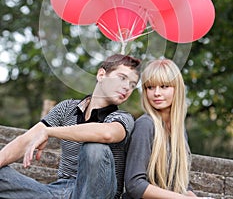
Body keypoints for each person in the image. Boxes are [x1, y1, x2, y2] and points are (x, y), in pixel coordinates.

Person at [0, 53, 141, 199]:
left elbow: (107, 134)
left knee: (94, 148)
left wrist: (49, 131)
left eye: (132, 84)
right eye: (122, 78)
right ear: (101, 75)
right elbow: (26, 140)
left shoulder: (123, 118)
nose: (126, 87)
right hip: (60, 191)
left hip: (100, 193)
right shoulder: (67, 108)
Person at [123, 58, 214, 199]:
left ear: (177, 89)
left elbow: (179, 185)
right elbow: (135, 185)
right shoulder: (145, 125)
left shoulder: (179, 130)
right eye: (150, 87)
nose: (156, 93)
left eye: (164, 86)